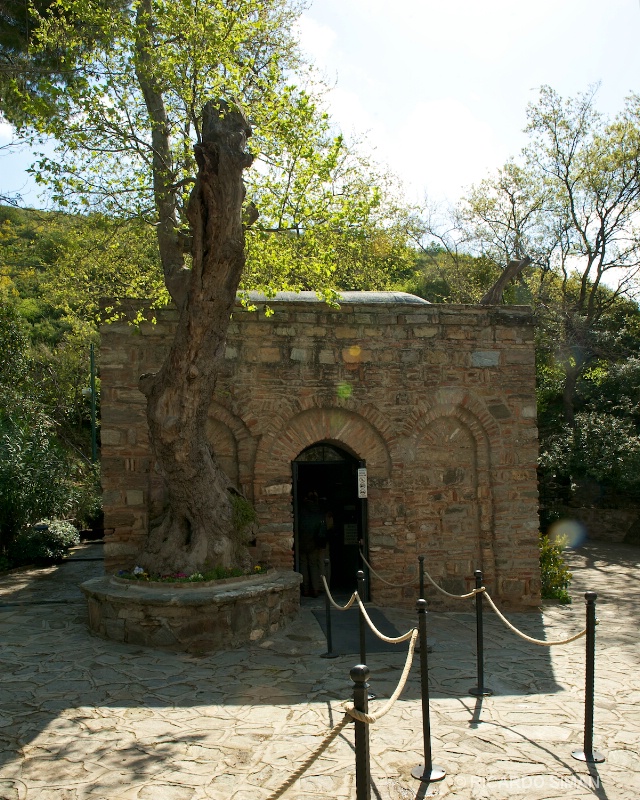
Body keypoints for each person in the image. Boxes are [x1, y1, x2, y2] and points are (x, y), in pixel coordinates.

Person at [297, 489, 332, 597]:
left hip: (302, 542)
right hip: (314, 542)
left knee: (303, 564)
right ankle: (315, 589)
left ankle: (305, 589)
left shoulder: (300, 511)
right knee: (314, 566)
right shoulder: (319, 510)